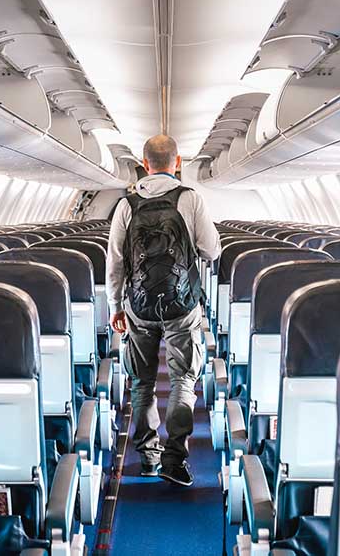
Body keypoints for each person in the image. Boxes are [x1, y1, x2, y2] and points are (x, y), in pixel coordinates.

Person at [106, 134, 221, 486]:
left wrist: (116, 306)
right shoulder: (190, 199)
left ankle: (148, 457)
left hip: (139, 307)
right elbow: (211, 250)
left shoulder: (126, 205)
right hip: (181, 305)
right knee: (183, 379)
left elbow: (115, 262)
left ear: (144, 164)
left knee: (142, 382)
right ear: (178, 163)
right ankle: (175, 459)